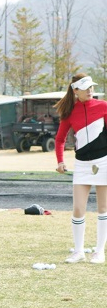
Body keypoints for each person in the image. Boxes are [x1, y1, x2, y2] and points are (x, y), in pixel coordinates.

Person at [55, 73, 107, 264]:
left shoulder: (103, 106)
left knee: (103, 209)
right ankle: (78, 251)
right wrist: (60, 161)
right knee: (78, 209)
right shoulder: (69, 112)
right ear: (75, 90)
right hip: (82, 164)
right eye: (85, 88)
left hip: (104, 161)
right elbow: (60, 139)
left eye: (91, 87)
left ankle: (99, 252)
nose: (90, 90)